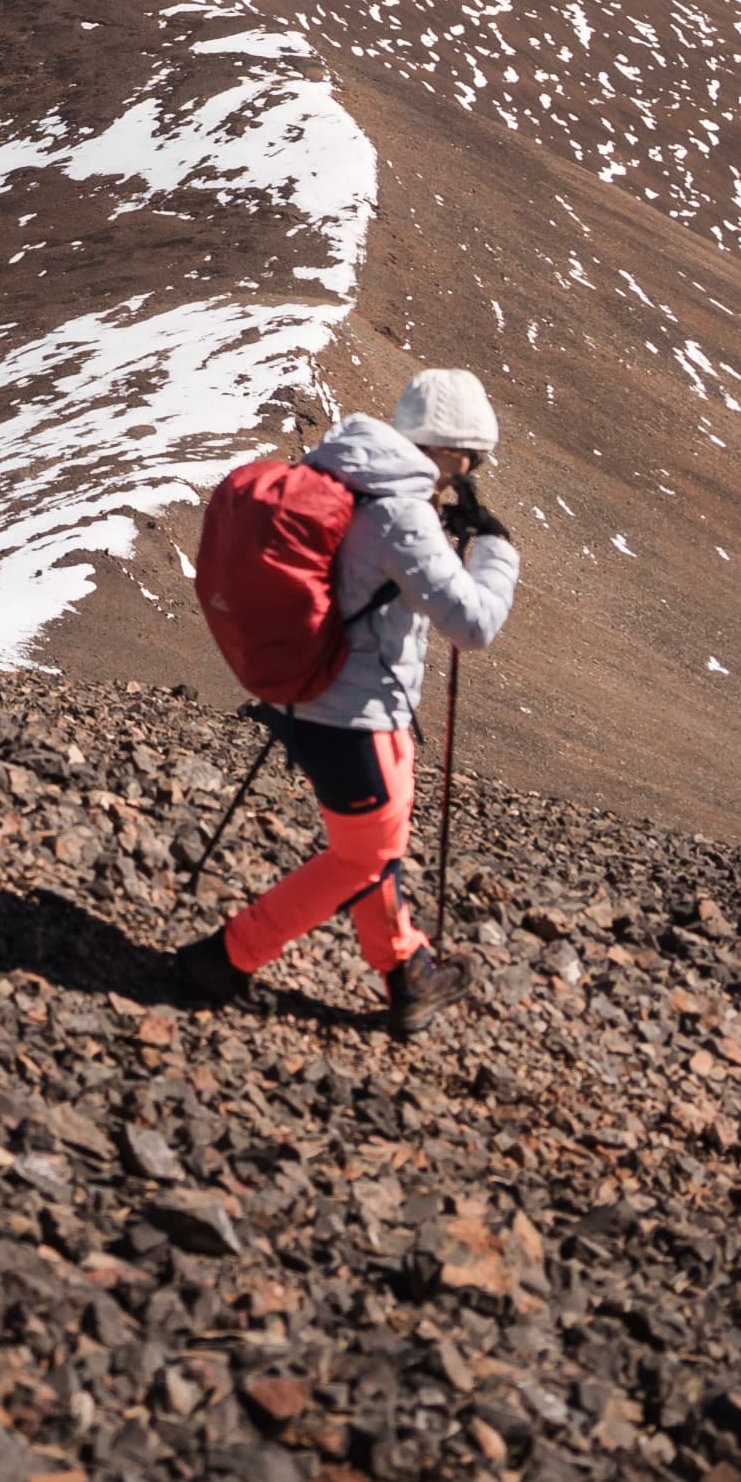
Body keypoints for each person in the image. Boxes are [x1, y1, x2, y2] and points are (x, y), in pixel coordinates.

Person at [163, 368, 521, 1038]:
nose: (463, 474)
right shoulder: (401, 511)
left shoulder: (347, 474)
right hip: (362, 720)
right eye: (467, 459)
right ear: (445, 447)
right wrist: (496, 548)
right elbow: (471, 624)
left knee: (368, 848)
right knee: (363, 857)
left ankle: (407, 971)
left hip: (312, 703)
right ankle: (227, 955)